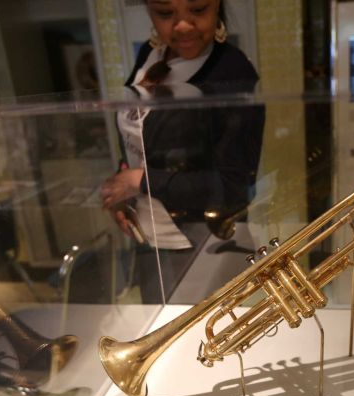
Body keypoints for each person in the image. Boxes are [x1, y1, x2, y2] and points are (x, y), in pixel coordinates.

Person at [100, 0, 264, 241]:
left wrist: (139, 181)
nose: (184, 26)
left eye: (198, 10)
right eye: (165, 13)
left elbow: (234, 187)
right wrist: (122, 188)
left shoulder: (233, 73)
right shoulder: (150, 54)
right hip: (148, 232)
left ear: (216, 4)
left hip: (207, 239)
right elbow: (136, 133)